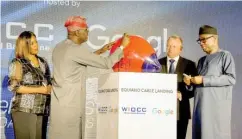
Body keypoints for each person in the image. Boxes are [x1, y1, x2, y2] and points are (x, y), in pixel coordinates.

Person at [48, 16, 130, 139]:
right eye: (86, 30)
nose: (88, 32)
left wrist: (101, 51)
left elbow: (76, 60)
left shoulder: (60, 47)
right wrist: (122, 47)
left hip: (59, 107)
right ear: (77, 32)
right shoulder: (76, 49)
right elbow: (106, 63)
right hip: (71, 109)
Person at [188, 25, 236, 139]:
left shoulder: (225, 55)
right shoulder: (201, 61)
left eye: (204, 39)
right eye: (200, 40)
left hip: (215, 111)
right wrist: (190, 82)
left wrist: (204, 80)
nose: (201, 43)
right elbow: (198, 85)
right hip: (200, 110)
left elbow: (230, 78)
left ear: (215, 38)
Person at [8, 31, 52, 139]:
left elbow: (48, 82)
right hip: (24, 110)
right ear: (24, 45)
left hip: (41, 110)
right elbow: (14, 86)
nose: (36, 45)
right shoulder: (18, 62)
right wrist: (41, 90)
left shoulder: (43, 62)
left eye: (36, 42)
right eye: (32, 43)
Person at [158, 35, 197, 139]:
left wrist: (182, 94)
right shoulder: (157, 64)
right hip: (159, 112)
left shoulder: (190, 65)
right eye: (168, 46)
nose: (170, 48)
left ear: (181, 49)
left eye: (174, 46)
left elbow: (194, 89)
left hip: (181, 113)